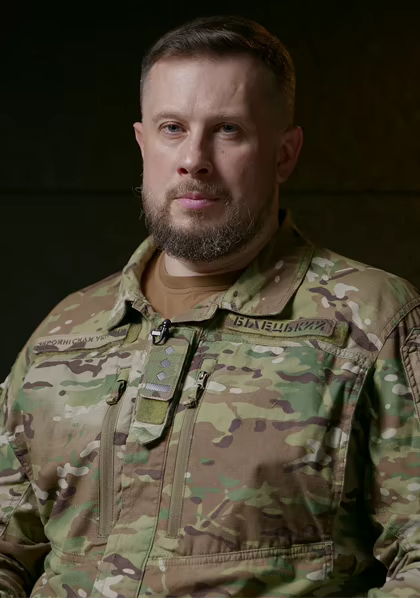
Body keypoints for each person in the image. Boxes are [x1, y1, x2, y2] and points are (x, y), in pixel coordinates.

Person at [0, 14, 419, 598]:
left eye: (227, 130)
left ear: (284, 154)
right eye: (172, 128)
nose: (193, 158)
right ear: (143, 143)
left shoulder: (372, 322)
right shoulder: (65, 331)